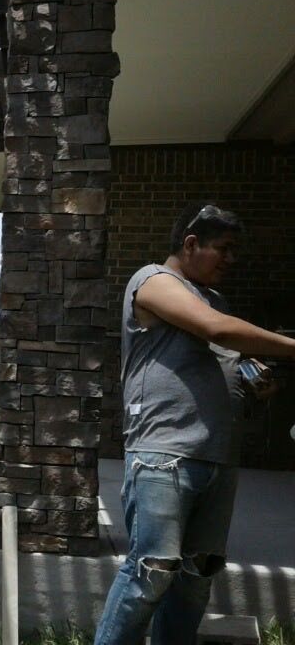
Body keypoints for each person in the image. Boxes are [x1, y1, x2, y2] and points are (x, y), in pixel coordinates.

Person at [94, 204, 295, 645]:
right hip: (165, 454)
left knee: (195, 576)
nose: (231, 259)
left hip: (218, 456)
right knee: (151, 572)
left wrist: (251, 380)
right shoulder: (153, 281)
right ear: (190, 243)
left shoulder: (214, 301)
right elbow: (217, 331)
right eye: (223, 249)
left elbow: (222, 351)